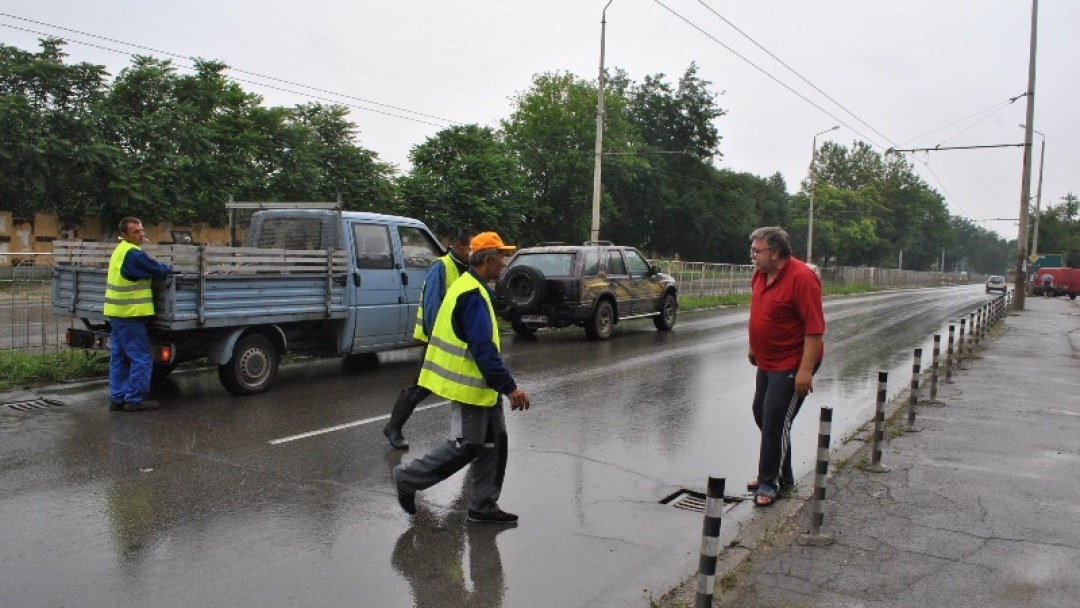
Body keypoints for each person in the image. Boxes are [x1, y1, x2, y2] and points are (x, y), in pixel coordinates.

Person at [393, 231, 531, 524]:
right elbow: (483, 349)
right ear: (489, 259)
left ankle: (482, 506)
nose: (505, 263)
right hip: (470, 386)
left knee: (495, 442)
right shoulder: (471, 293)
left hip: (483, 387)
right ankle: (407, 477)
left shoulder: (473, 287)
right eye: (502, 257)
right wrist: (510, 388)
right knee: (467, 445)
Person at [746, 227, 825, 507]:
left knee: (775, 420)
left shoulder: (802, 278)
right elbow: (759, 310)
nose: (753, 256)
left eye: (757, 250)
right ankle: (782, 472)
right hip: (767, 360)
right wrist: (754, 344)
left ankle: (769, 482)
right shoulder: (760, 274)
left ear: (775, 252)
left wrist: (804, 371)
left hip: (793, 362)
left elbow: (815, 329)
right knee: (762, 413)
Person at [383, 227, 478, 449]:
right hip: (440, 340)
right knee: (423, 385)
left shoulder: (467, 268)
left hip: (458, 339)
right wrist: (438, 339)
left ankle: (468, 437)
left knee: (463, 386)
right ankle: (393, 427)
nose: (474, 253)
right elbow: (431, 306)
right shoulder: (441, 266)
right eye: (471, 248)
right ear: (460, 246)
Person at [105, 217, 173, 412]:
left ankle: (117, 398)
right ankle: (135, 399)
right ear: (124, 235)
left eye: (142, 230)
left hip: (117, 313)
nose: (141, 234)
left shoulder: (120, 250)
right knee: (141, 356)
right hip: (130, 314)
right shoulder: (134, 254)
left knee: (119, 357)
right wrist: (169, 268)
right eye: (136, 231)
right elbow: (157, 269)